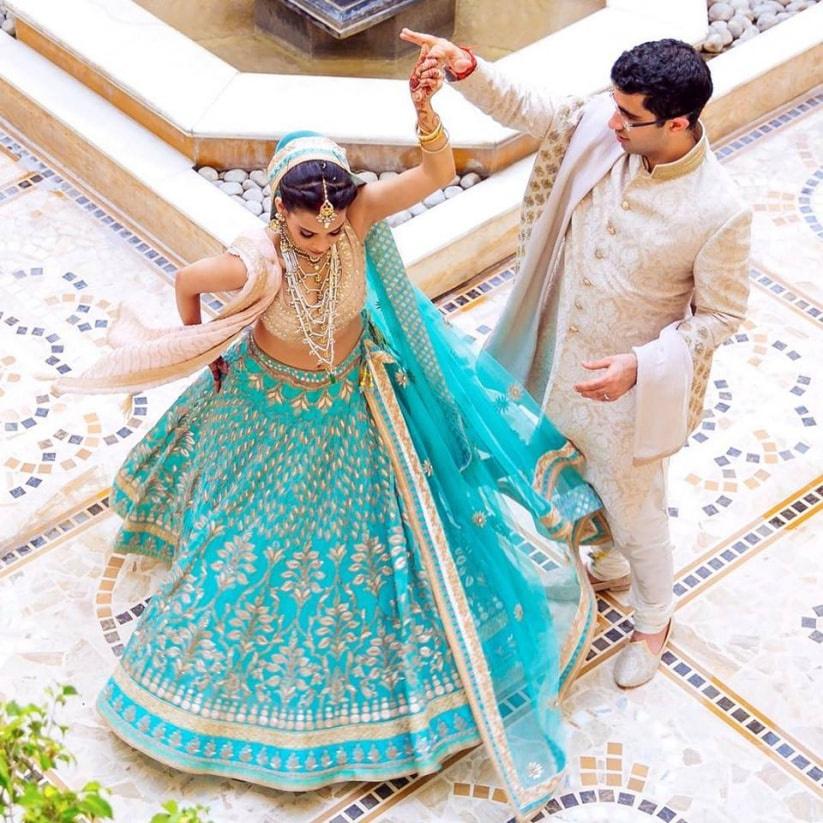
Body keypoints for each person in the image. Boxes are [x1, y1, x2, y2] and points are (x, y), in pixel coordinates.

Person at [54, 53, 605, 817]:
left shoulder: (357, 220)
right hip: (263, 411)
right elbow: (186, 284)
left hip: (350, 408)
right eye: (305, 227)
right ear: (279, 211)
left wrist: (424, 109)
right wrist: (208, 350)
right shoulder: (257, 258)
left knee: (373, 554)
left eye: (329, 225)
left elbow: (436, 170)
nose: (319, 240)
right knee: (240, 551)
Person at [401, 31, 752, 687]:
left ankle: (654, 618)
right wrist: (468, 68)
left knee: (634, 504)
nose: (610, 121)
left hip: (630, 392)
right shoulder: (603, 128)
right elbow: (535, 109)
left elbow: (722, 315)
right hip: (556, 356)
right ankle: (606, 560)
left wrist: (640, 365)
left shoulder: (719, 210)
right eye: (613, 106)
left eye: (629, 116)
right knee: (555, 469)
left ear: (676, 123)